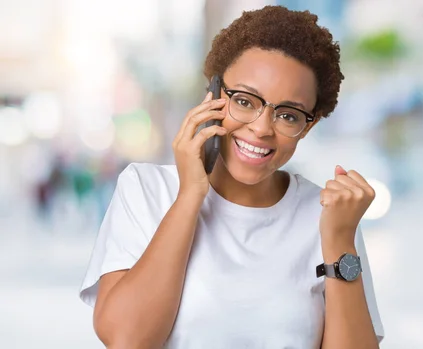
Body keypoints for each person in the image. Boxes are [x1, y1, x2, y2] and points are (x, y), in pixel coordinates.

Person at [79, 5, 384, 349]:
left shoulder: (330, 216)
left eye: (287, 115)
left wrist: (340, 241)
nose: (261, 128)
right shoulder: (146, 190)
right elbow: (126, 339)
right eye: (244, 101)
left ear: (308, 125)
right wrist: (191, 194)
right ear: (213, 93)